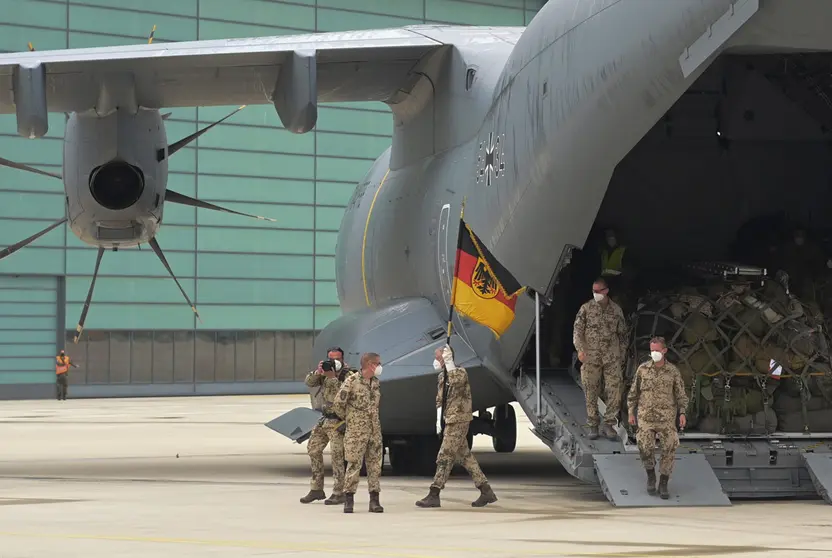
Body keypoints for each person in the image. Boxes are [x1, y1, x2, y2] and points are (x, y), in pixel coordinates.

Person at [415, 345, 497, 509]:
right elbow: (440, 400)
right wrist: (439, 420)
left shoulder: (459, 373)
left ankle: (434, 493)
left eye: (439, 358)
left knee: (444, 456)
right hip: (449, 420)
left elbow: (456, 382)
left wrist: (450, 362)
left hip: (459, 420)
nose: (436, 361)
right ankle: (485, 490)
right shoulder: (442, 377)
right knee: (465, 457)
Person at [627, 336, 689, 499]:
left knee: (669, 448)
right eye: (651, 350)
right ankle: (650, 475)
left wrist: (682, 412)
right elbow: (633, 393)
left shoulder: (673, 371)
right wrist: (630, 412)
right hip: (646, 417)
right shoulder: (642, 370)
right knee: (645, 448)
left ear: (664, 350)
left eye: (656, 350)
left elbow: (681, 395)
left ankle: (663, 481)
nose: (654, 353)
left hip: (666, 419)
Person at [572, 277, 628, 440]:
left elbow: (623, 335)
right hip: (591, 357)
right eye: (594, 291)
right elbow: (577, 331)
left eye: (598, 291)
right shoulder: (586, 309)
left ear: (606, 291)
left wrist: (622, 354)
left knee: (614, 391)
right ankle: (593, 425)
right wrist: (580, 350)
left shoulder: (616, 310)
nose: (596, 294)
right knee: (591, 391)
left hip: (612, 358)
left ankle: (609, 424)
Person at [299, 346, 354, 505]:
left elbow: (344, 394)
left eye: (337, 359)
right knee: (313, 449)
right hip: (324, 419)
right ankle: (316, 488)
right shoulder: (325, 372)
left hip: (338, 421)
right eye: (331, 358)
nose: (334, 362)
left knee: (337, 457)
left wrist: (333, 376)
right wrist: (319, 372)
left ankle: (339, 491)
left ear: (343, 359)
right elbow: (309, 382)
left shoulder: (348, 375)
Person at [332, 352, 384, 514]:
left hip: (374, 431)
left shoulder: (375, 382)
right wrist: (350, 420)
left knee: (375, 466)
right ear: (370, 364)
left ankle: (374, 500)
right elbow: (338, 404)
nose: (380, 366)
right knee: (354, 464)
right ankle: (349, 499)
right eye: (378, 363)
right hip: (356, 432)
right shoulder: (352, 381)